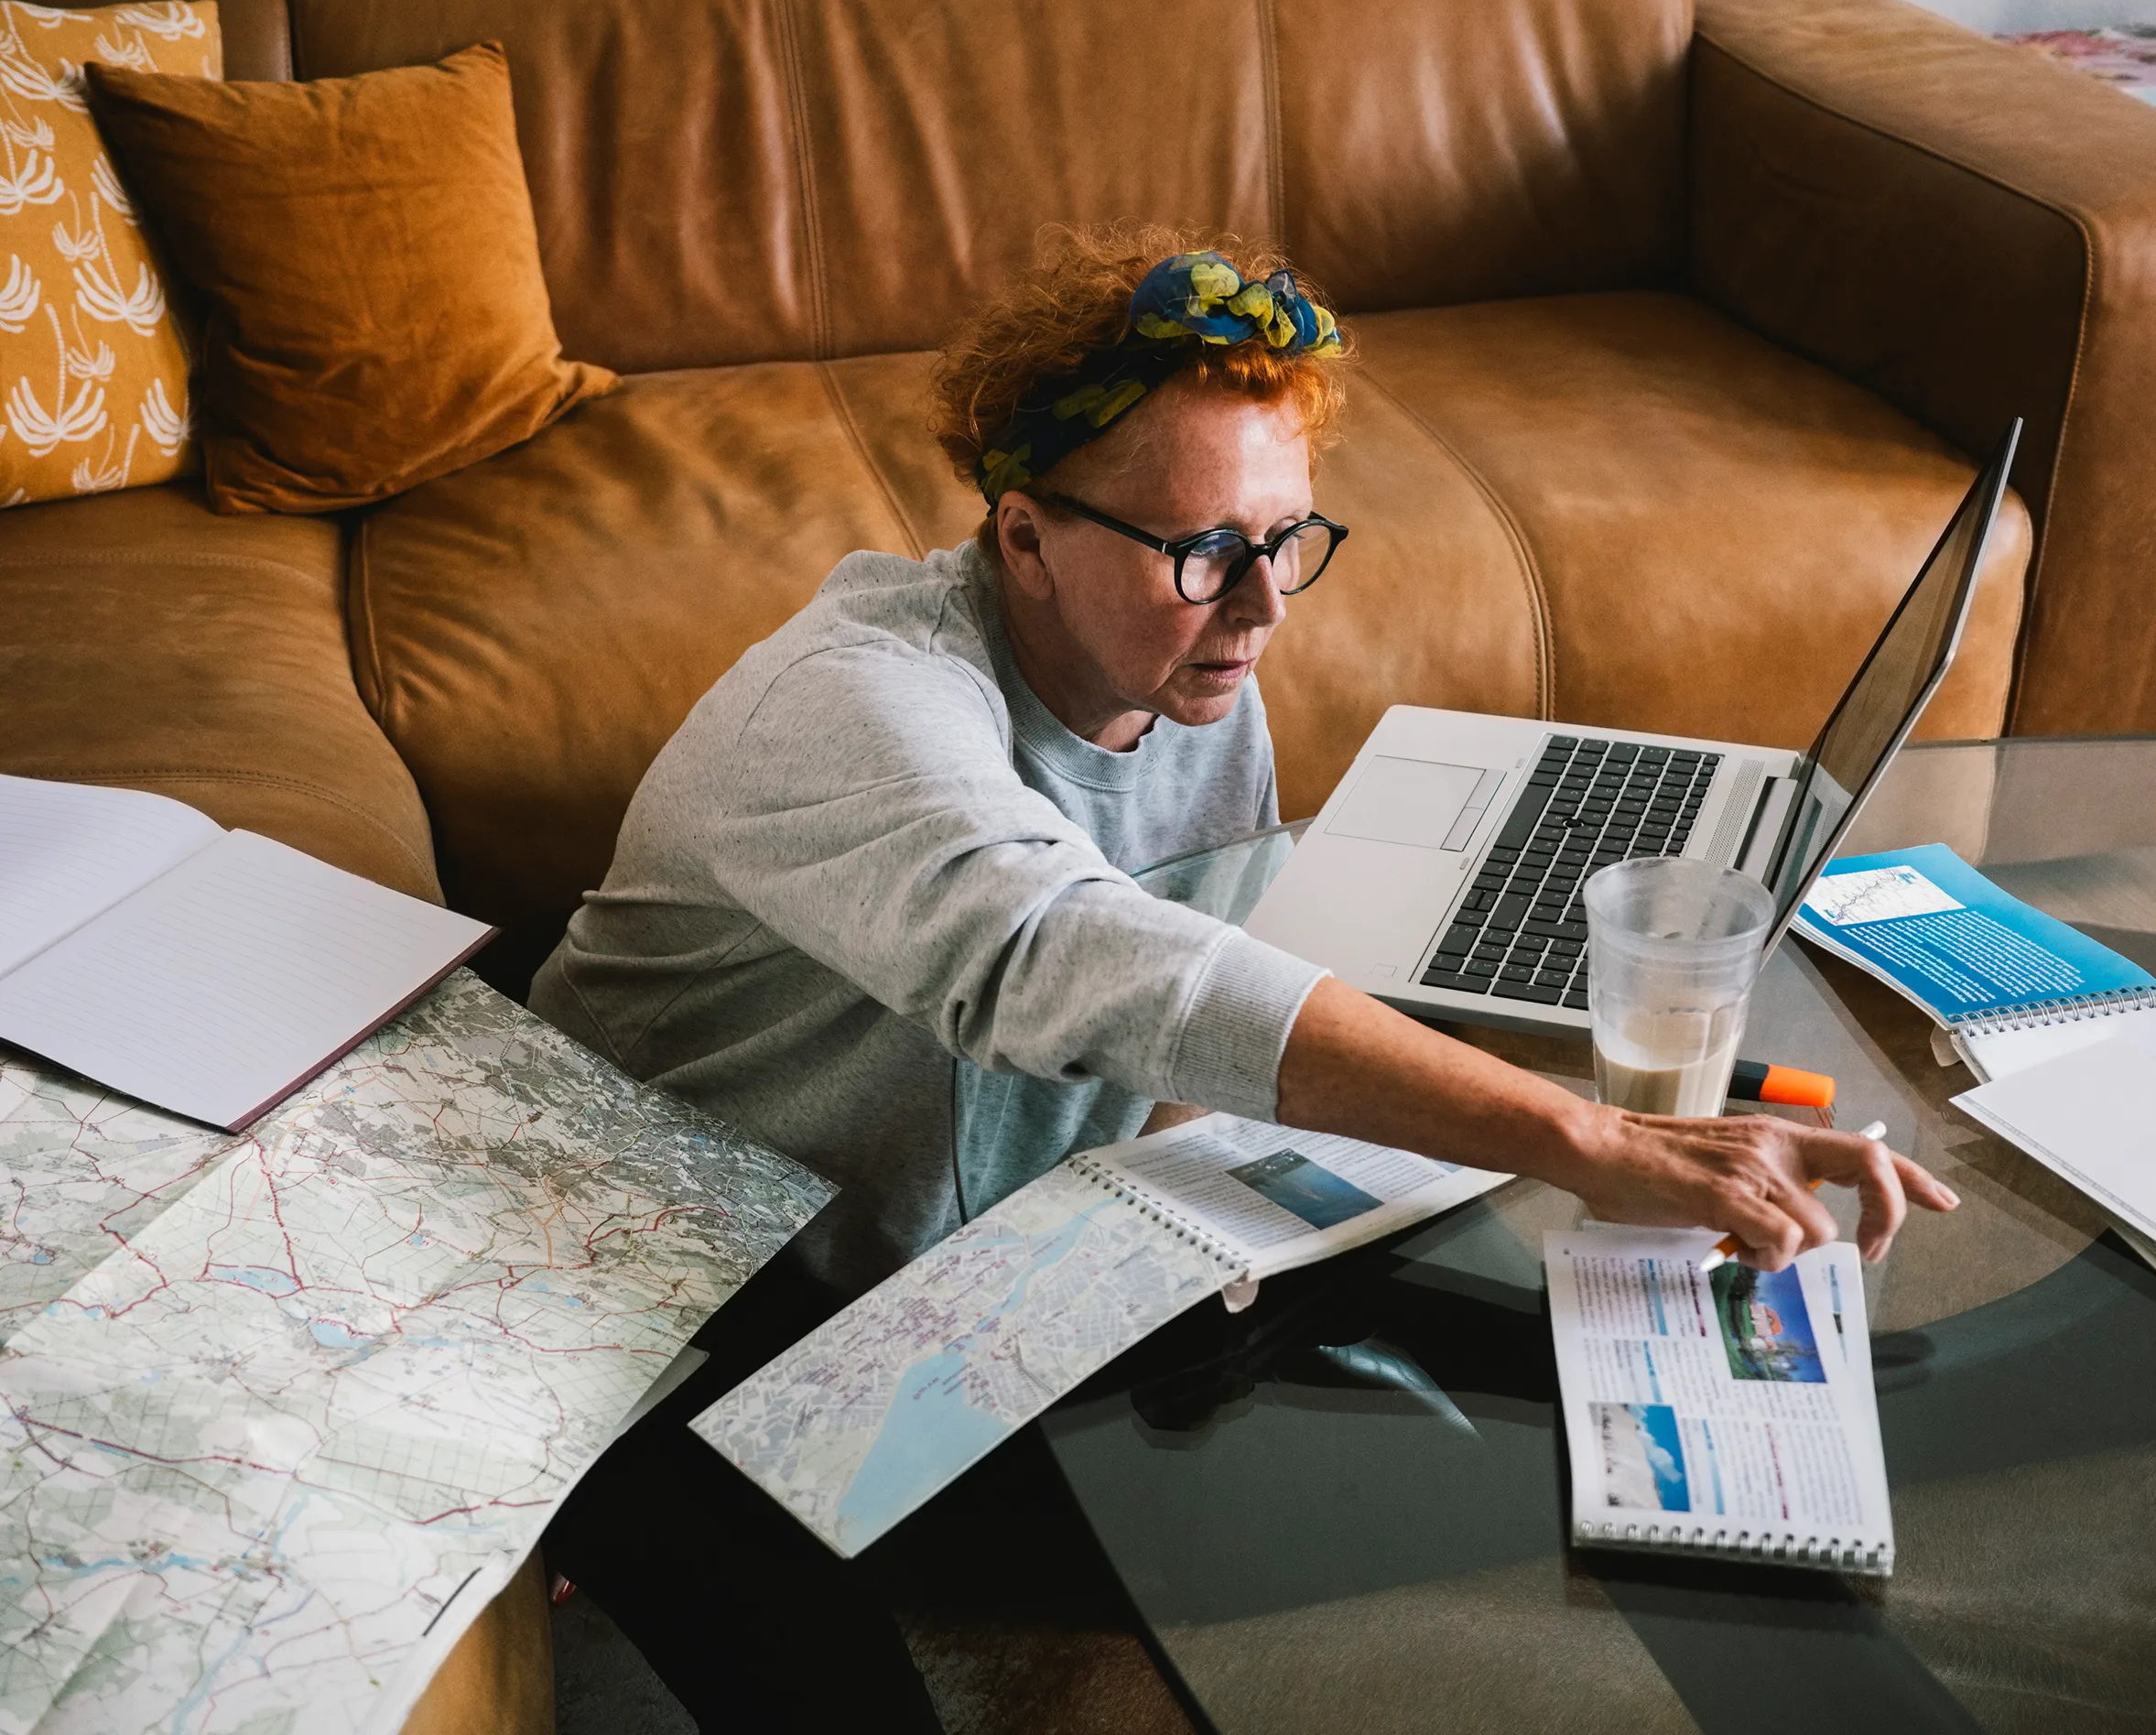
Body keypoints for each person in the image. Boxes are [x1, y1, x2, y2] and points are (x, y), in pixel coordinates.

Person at [532, 225, 1958, 1728]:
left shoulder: (1194, 677)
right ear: (1022, 537)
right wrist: (1594, 1135)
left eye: (1286, 538)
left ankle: (1874, 1424)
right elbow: (1058, 957)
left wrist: (1610, 1124)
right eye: (1204, 549)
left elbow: (1194, 1015)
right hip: (655, 1278)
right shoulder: (853, 706)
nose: (1265, 605)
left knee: (1440, 1415)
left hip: (963, 1259)